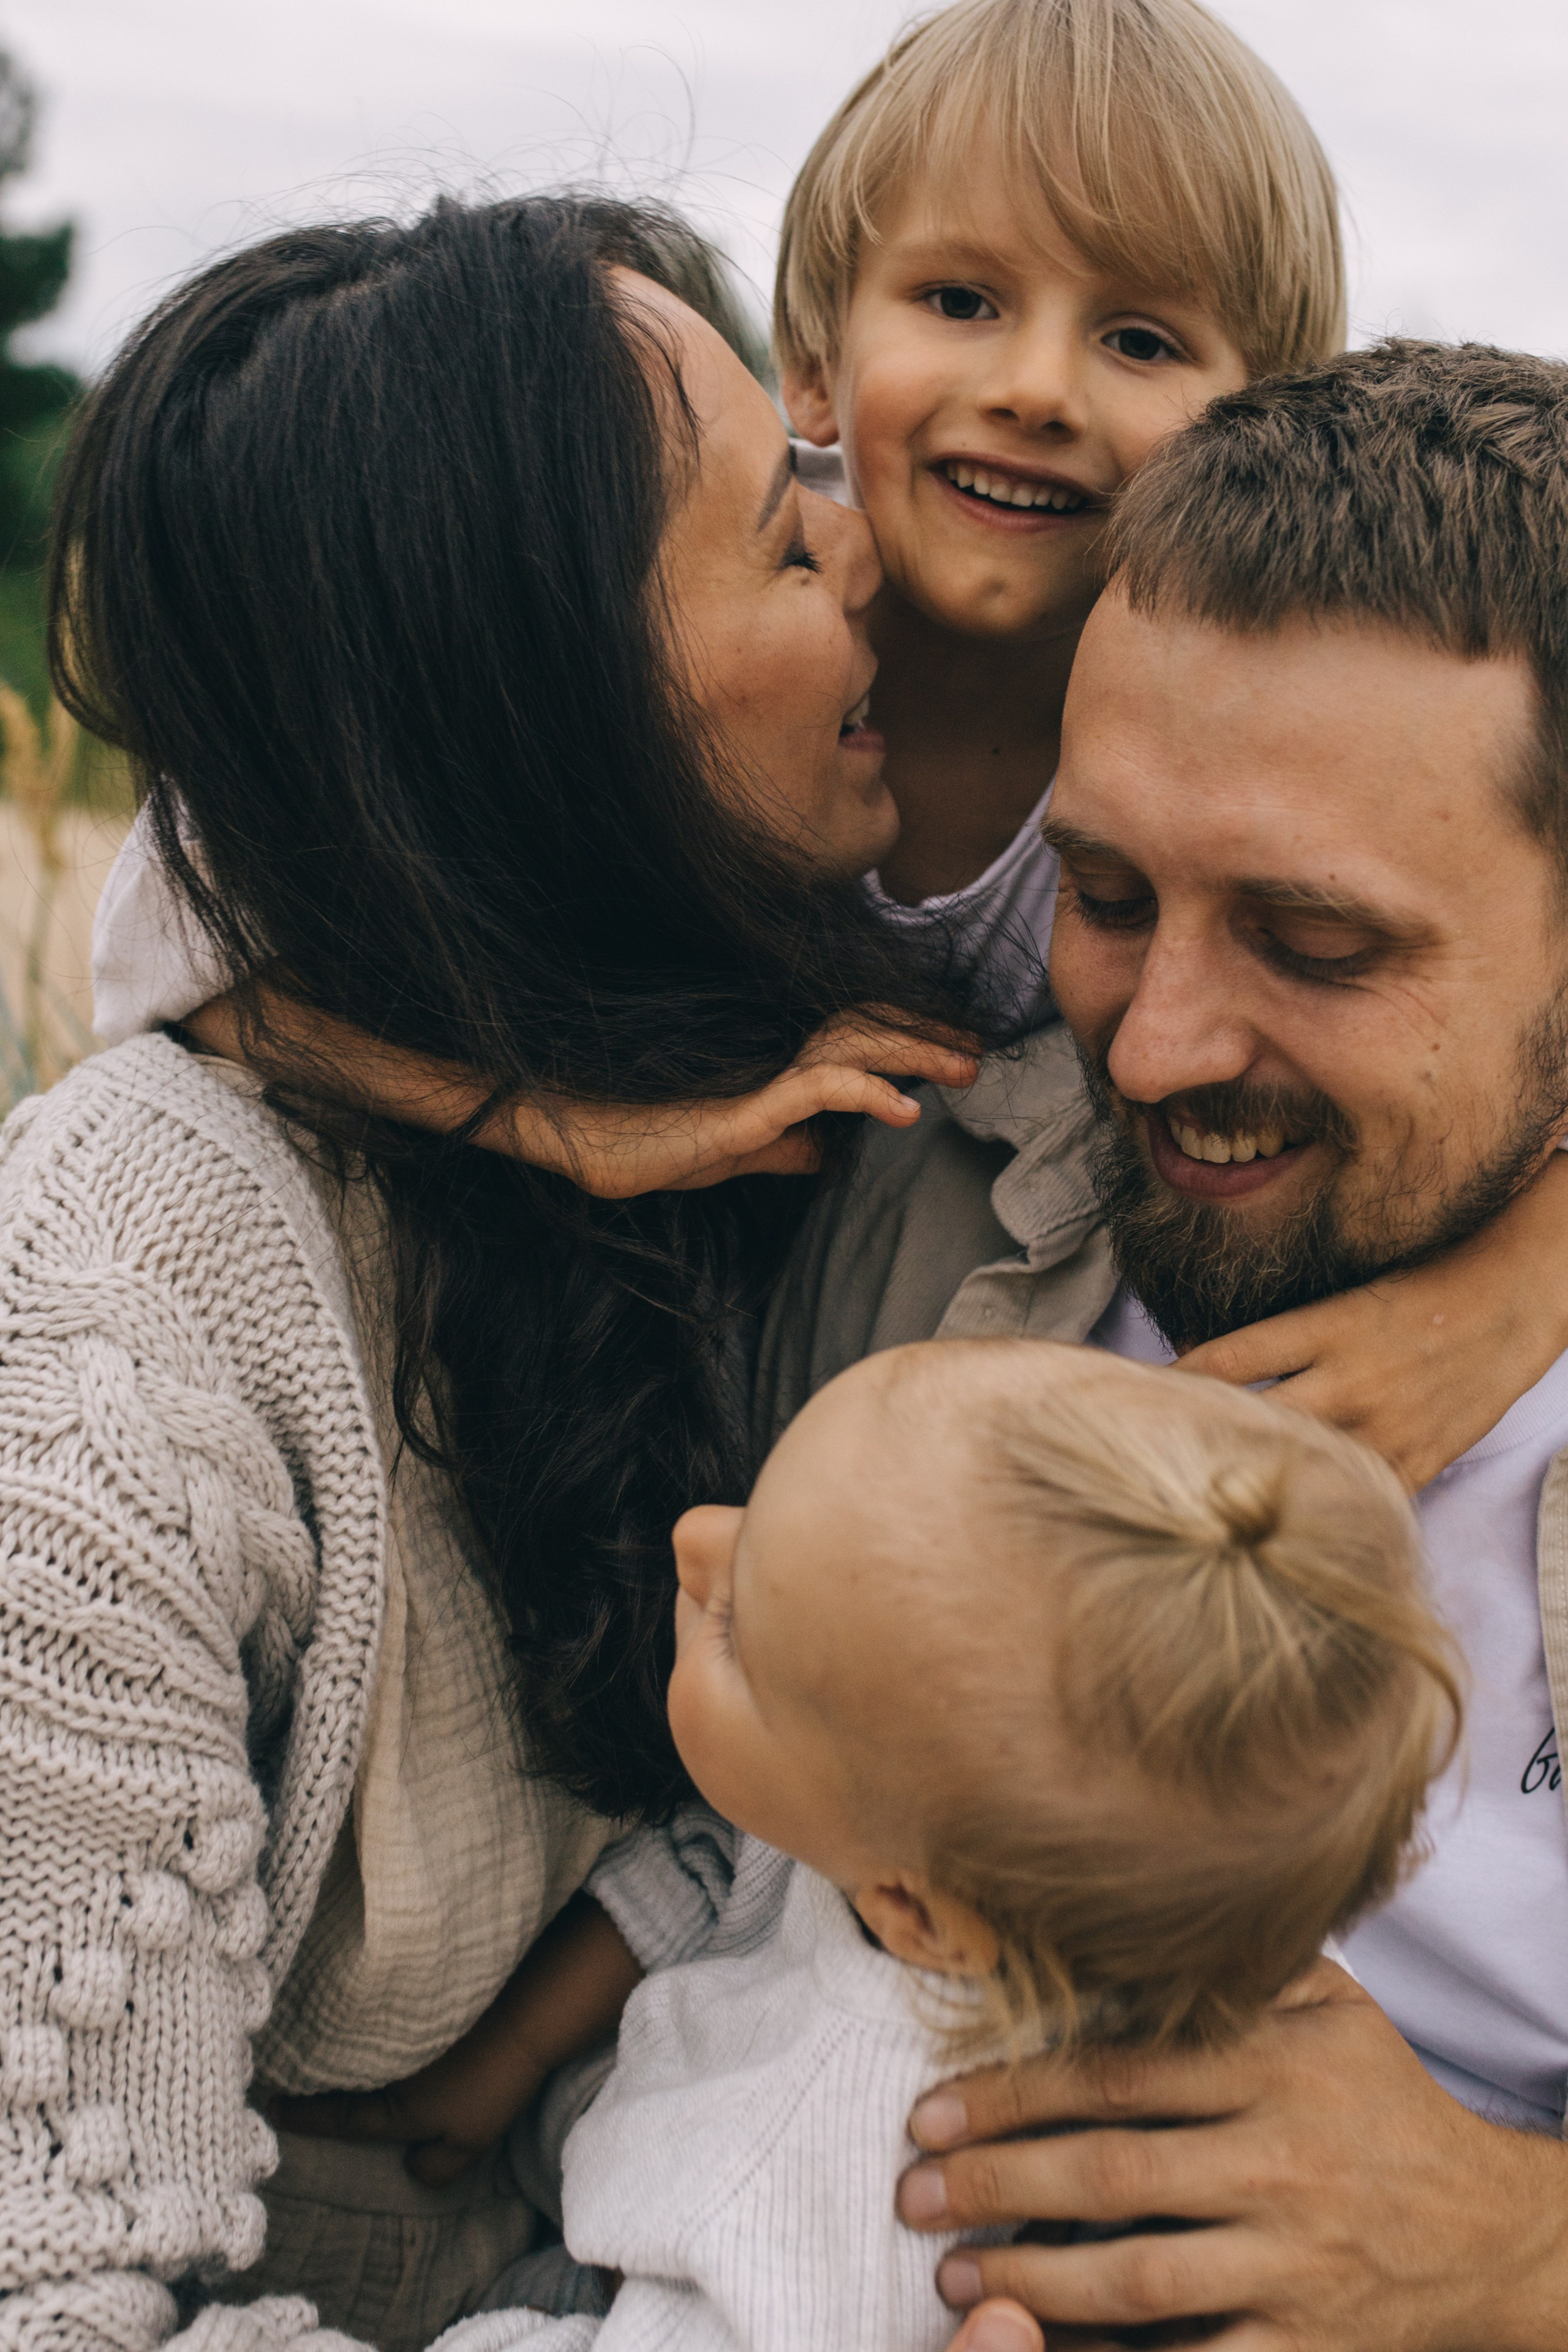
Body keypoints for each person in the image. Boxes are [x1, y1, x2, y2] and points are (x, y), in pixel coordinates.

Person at [93, 0, 1568, 1479]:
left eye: (1136, 337)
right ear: (810, 359)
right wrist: (547, 1122)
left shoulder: (1210, 722)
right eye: (958, 302)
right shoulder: (698, 569)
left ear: (1250, 430)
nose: (1036, 388)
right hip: (655, 1299)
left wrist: (1519, 1287)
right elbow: (177, 920)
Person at [3, 192, 983, 2352]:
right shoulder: (105, 1380)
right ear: (534, 705)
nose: (870, 553)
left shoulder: (762, 1080)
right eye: (776, 533)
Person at [757, 339, 1568, 2346]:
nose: (1157, 1042)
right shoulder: (936, 1187)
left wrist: (1519, 2251)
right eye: (1106, 895)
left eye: (1314, 943)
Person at [394, 1338, 1457, 2352]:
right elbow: (726, 1864)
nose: (696, 1537)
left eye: (738, 1636)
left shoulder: (840, 2190)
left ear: (915, 1919)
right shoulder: (1109, 1887)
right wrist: (513, 2058)